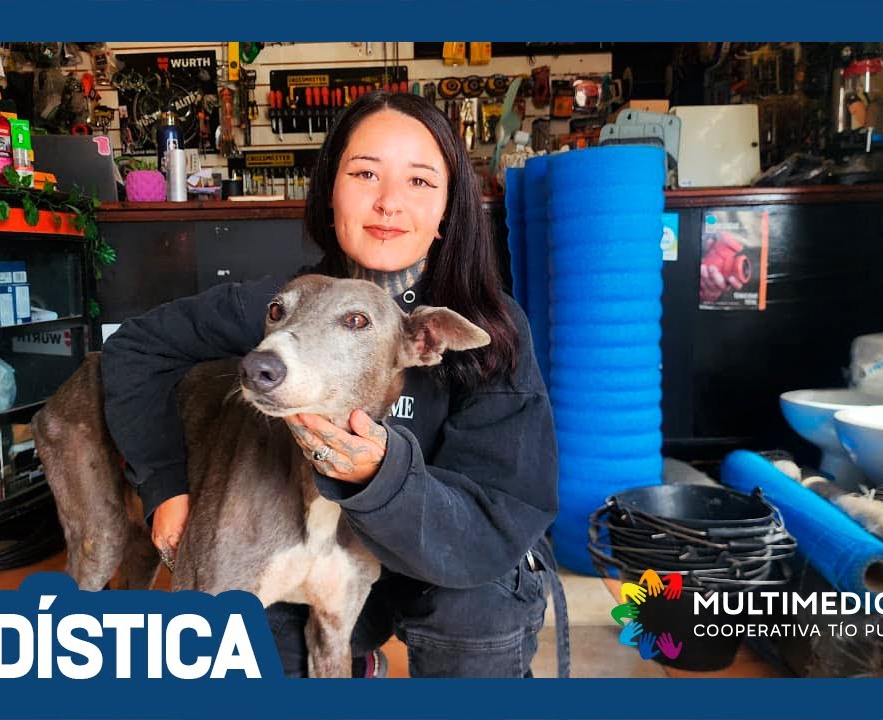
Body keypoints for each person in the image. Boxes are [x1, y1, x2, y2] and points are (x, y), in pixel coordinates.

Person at [101, 90, 561, 678]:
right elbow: (135, 349)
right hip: (329, 558)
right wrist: (164, 486)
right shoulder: (285, 305)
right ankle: (355, 656)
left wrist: (380, 476)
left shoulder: (487, 327)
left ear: (448, 208)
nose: (389, 202)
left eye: (420, 181)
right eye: (365, 173)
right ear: (329, 192)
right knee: (260, 655)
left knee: (474, 616)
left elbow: (498, 515)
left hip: (459, 564)